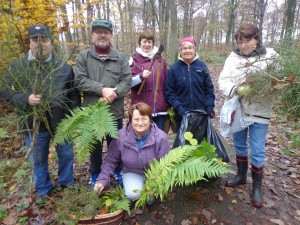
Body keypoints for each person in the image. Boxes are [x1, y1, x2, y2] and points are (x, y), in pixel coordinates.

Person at [0, 25, 80, 201]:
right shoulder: (17, 67)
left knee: (66, 154)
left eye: (44, 39)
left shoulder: (64, 67)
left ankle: (67, 183)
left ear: (50, 42)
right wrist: (25, 99)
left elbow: (73, 93)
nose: (40, 44)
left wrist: (72, 116)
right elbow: (4, 92)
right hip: (33, 124)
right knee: (38, 159)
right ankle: (44, 191)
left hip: (62, 122)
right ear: (29, 43)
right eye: (35, 40)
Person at [218, 23, 278, 208]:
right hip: (239, 108)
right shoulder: (233, 57)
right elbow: (223, 80)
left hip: (260, 110)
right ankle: (241, 175)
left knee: (258, 149)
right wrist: (236, 89)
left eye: (247, 41)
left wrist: (274, 86)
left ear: (257, 39)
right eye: (239, 41)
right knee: (240, 143)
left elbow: (281, 80)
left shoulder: (271, 56)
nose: (242, 45)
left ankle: (257, 187)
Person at [74, 19, 131, 189]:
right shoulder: (83, 57)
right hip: (92, 111)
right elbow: (79, 81)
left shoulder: (120, 57)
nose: (102, 35)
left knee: (116, 143)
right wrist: (102, 90)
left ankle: (118, 170)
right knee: (95, 146)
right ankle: (95, 173)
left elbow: (126, 80)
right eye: (98, 32)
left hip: (114, 111)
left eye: (106, 32)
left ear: (111, 35)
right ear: (92, 35)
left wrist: (113, 94)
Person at [93, 102, 170, 203]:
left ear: (150, 120)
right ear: (130, 120)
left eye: (144, 119)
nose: (140, 123)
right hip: (132, 172)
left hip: (154, 174)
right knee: (133, 195)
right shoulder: (121, 136)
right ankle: (131, 183)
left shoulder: (161, 137)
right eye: (136, 119)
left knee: (149, 199)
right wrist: (102, 180)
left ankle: (148, 189)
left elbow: (165, 163)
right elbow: (110, 160)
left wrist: (156, 180)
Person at [165, 37, 215, 148]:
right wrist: (179, 108)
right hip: (182, 114)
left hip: (201, 114)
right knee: (184, 145)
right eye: (184, 48)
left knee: (200, 145)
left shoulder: (201, 66)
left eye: (190, 48)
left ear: (195, 49)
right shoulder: (174, 69)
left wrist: (209, 106)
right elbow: (170, 92)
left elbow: (209, 89)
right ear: (180, 51)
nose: (187, 51)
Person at [130, 31, 169, 131]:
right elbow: (127, 82)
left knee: (158, 137)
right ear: (140, 43)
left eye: (150, 42)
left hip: (159, 106)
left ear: (153, 43)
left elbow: (167, 82)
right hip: (141, 107)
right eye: (144, 41)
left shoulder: (161, 60)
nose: (147, 44)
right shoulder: (133, 59)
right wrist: (140, 76)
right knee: (142, 138)